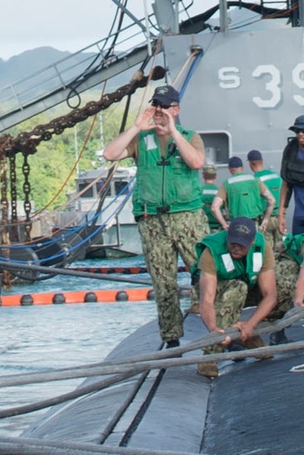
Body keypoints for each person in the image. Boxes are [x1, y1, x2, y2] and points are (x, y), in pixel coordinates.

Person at [100, 84, 206, 347]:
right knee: (163, 282)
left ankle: (215, 332)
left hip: (187, 217)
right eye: (156, 106)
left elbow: (196, 162)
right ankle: (171, 339)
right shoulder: (141, 139)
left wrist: (173, 133)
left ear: (176, 110)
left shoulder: (189, 136)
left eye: (165, 107)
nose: (159, 111)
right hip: (153, 220)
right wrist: (137, 126)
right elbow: (110, 154)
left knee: (204, 275)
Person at [192, 216, 277, 378]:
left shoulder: (262, 247)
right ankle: (210, 355)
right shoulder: (212, 251)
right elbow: (207, 301)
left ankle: (247, 336)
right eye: (233, 243)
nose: (236, 248)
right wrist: (213, 329)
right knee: (238, 288)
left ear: (251, 242)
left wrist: (250, 325)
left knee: (283, 291)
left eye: (241, 245)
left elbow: (270, 295)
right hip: (219, 291)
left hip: (247, 285)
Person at [211, 156, 275, 234]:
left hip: (237, 226)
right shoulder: (255, 180)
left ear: (230, 170)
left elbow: (214, 208)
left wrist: (224, 224)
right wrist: (266, 219)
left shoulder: (227, 184)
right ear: (242, 168)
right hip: (254, 224)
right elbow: (271, 200)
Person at [247, 149, 284, 251]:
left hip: (265, 219)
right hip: (279, 217)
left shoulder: (253, 180)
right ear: (262, 160)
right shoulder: (276, 176)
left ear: (250, 163)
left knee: (267, 250)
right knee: (281, 248)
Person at [201, 163, 222, 232]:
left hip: (202, 228)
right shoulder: (220, 192)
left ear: (202, 176)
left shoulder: (198, 192)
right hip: (217, 228)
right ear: (216, 176)